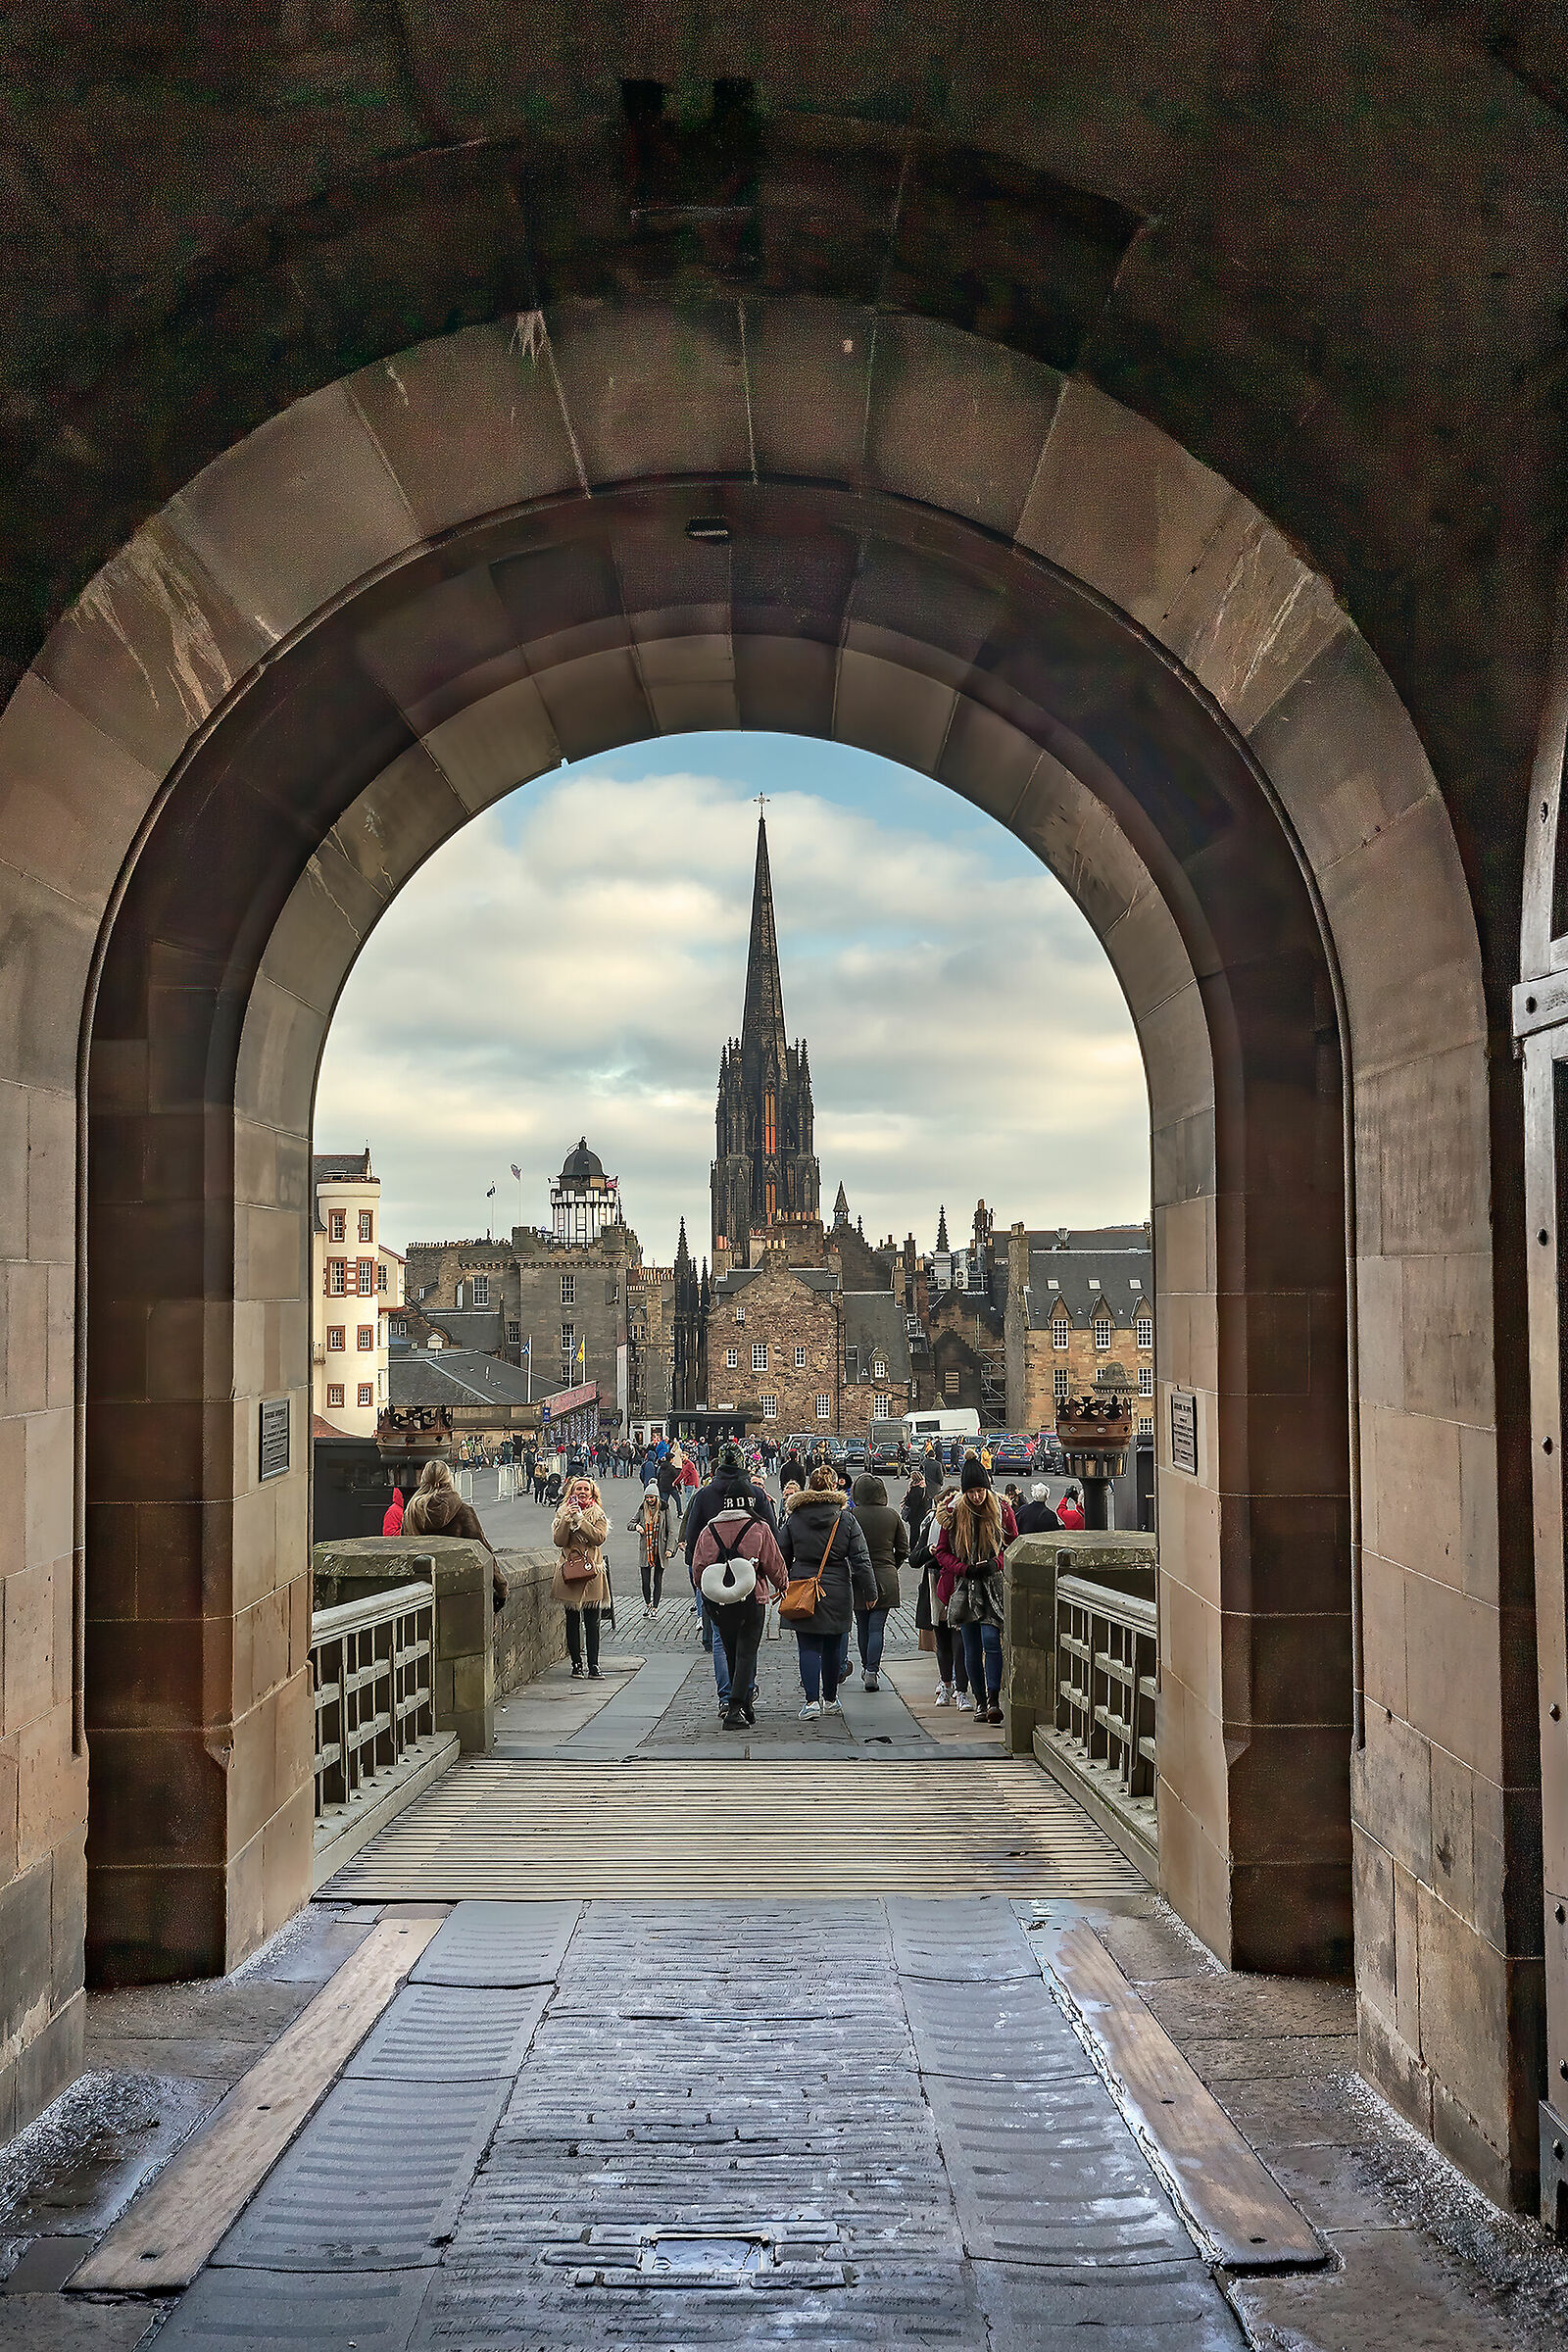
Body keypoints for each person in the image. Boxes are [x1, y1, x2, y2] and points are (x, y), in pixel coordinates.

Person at [689, 1451, 789, 1731]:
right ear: (750, 1500)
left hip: (719, 1600)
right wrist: (783, 1585)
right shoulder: (758, 1527)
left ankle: (740, 1701)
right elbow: (774, 1561)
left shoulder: (710, 1529)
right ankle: (735, 1707)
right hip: (752, 1596)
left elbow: (698, 1565)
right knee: (747, 1651)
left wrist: (701, 1589)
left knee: (730, 1650)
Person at [780, 1462, 875, 1721]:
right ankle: (831, 1699)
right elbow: (861, 1558)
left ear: (810, 1486)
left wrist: (782, 1583)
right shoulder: (845, 1519)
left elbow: (782, 1554)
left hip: (803, 1585)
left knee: (808, 1645)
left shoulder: (795, 1516)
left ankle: (811, 1701)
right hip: (837, 1588)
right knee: (834, 1645)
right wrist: (870, 1591)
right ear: (835, 1486)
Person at [932, 1455, 1017, 1727]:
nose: (977, 1496)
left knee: (992, 1640)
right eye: (971, 1492)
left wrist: (996, 1563)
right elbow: (942, 1552)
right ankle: (979, 1700)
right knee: (971, 1646)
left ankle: (993, 1699)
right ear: (965, 1492)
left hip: (992, 1583)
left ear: (987, 1488)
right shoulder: (954, 1513)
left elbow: (1014, 1543)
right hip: (965, 1585)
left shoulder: (1002, 1509)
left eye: (981, 1491)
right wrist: (962, 1568)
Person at [403, 1458, 510, 1610]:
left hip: (419, 1591)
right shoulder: (463, 1512)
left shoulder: (411, 1512)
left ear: (423, 1480)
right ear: (449, 1480)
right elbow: (484, 1551)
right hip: (457, 1591)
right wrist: (501, 1588)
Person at [849, 1472, 907, 1691]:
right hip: (885, 1575)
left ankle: (866, 1667)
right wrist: (893, 1565)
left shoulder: (851, 1515)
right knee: (877, 1628)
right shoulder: (892, 1515)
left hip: (858, 1577)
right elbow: (903, 1548)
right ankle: (872, 1670)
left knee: (862, 1626)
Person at [552, 1472, 611, 1678]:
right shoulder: (562, 1512)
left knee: (593, 1621)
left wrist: (580, 1520)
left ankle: (594, 1665)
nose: (583, 1492)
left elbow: (598, 1538)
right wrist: (568, 1520)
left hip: (592, 1572)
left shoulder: (597, 1513)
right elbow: (559, 1541)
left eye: (586, 1489)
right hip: (569, 1572)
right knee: (572, 1620)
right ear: (572, 1492)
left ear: (592, 1492)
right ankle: (576, 1664)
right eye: (579, 1489)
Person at [627, 1482, 664, 1616]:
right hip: (646, 1550)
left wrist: (671, 1549)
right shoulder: (642, 1509)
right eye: (647, 1497)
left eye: (651, 1497)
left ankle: (655, 1607)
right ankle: (648, 1604)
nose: (649, 1500)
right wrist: (637, 1526)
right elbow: (630, 1524)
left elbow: (670, 1531)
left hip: (659, 1549)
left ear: (656, 1497)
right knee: (645, 1581)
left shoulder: (664, 1510)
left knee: (657, 1580)